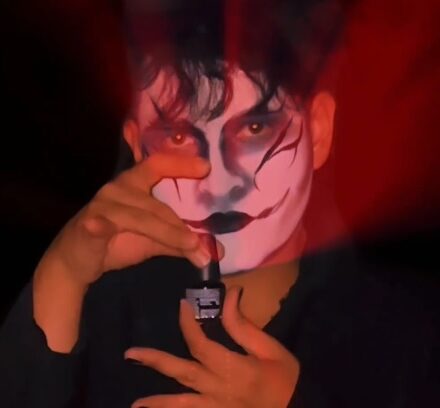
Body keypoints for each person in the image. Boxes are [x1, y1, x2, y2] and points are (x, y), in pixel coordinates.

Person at [0, 0, 437, 407]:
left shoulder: (410, 332)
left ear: (319, 131)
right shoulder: (97, 306)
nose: (220, 185)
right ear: (136, 146)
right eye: (178, 136)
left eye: (254, 129)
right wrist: (63, 273)